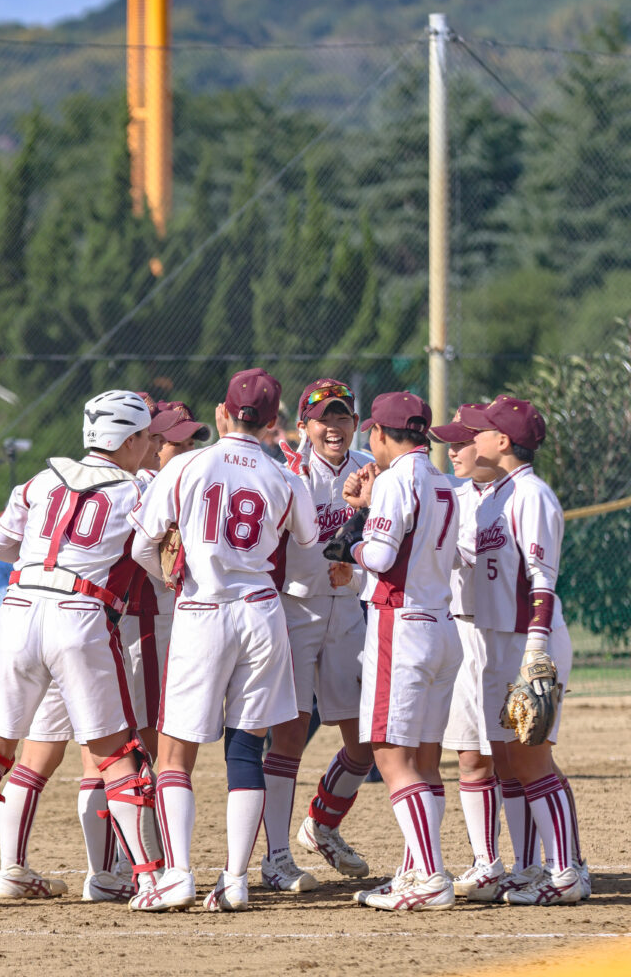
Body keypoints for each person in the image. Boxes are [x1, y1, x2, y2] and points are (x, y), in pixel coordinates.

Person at [0, 390, 165, 905]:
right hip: (81, 616)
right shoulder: (140, 489)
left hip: (18, 611)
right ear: (126, 440)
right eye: (145, 437)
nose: (149, 447)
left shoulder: (41, 479)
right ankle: (147, 878)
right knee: (115, 754)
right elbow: (153, 557)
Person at [128, 367, 319, 912]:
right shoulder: (284, 474)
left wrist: (169, 576)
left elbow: (144, 542)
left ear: (223, 413)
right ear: (274, 419)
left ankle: (179, 873)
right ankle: (235, 879)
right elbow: (307, 538)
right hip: (261, 611)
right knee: (245, 748)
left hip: (203, 608)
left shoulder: (189, 463)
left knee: (174, 753)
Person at [326, 391, 462, 912]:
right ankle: (413, 871)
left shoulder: (396, 480)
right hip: (441, 625)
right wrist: (365, 511)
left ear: (380, 434)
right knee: (425, 762)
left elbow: (380, 556)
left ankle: (428, 876)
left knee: (389, 756)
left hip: (400, 625)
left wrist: (350, 542)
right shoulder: (442, 480)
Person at [462, 396, 588, 905]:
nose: (476, 437)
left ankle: (567, 873)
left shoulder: (531, 495)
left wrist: (536, 651)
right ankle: (531, 868)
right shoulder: (495, 494)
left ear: (504, 443)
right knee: (508, 759)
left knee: (532, 762)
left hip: (529, 640)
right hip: (497, 639)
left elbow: (543, 580)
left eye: (485, 430)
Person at [261, 378, 374, 893]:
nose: (334, 425)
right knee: (288, 734)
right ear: (304, 424)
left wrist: (358, 575)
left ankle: (322, 825)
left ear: (356, 422)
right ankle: (277, 855)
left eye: (343, 415)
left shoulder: (372, 471)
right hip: (295, 610)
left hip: (349, 613)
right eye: (323, 417)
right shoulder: (287, 472)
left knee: (365, 743)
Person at [429, 407, 504, 900]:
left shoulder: (514, 495)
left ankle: (554, 863)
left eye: (462, 441)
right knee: (469, 756)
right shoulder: (452, 496)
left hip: (504, 635)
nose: (452, 450)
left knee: (517, 758)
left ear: (492, 443)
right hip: (461, 630)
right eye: (449, 442)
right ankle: (486, 861)